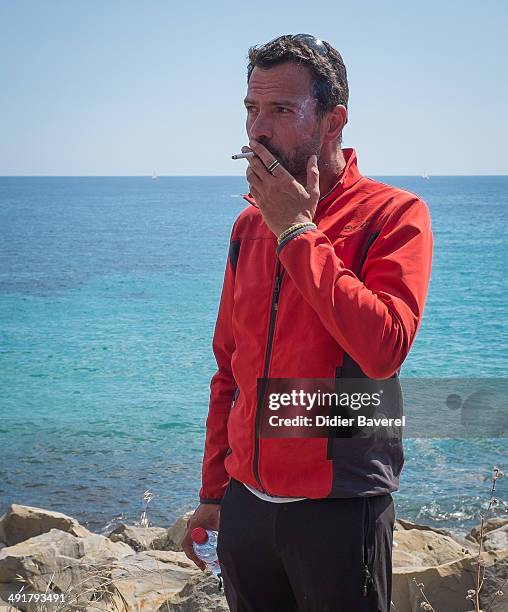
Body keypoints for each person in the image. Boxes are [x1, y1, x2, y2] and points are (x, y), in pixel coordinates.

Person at [182, 33, 433, 611]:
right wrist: (215, 491)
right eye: (251, 108)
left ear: (331, 120)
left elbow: (384, 348)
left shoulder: (394, 215)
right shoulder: (248, 227)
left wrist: (297, 232)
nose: (257, 129)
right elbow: (231, 369)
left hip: (341, 510)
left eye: (280, 110)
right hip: (246, 510)